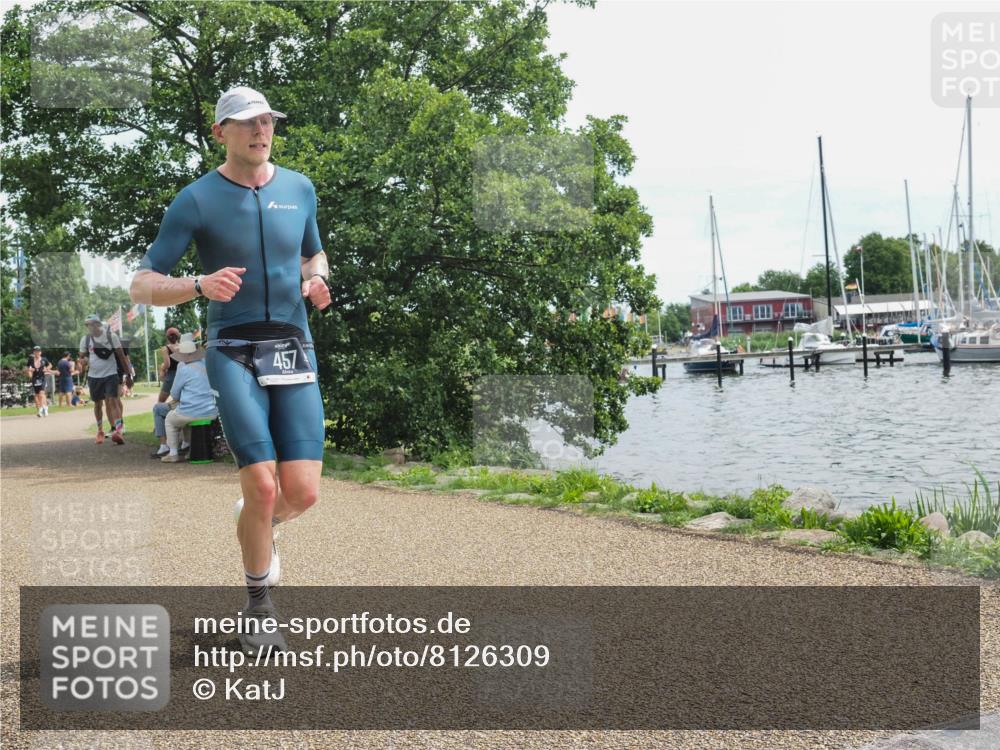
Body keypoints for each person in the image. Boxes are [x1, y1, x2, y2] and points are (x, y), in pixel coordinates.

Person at [131, 86, 331, 654]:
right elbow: (142, 283)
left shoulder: (300, 188)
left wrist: (316, 279)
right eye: (246, 123)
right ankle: (259, 607)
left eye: (267, 121)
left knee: (303, 493)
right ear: (220, 133)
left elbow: (313, 254)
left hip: (294, 344)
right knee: (264, 483)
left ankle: (254, 520)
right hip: (232, 347)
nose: (260, 130)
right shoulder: (195, 200)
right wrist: (198, 285)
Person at [151, 334, 219, 462]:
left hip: (192, 411)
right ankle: (188, 446)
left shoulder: (183, 368)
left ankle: (173, 453)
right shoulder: (206, 364)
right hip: (211, 411)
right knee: (185, 416)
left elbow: (175, 394)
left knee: (171, 419)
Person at [79, 314, 134, 444]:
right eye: (87, 325)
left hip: (111, 374)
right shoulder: (85, 340)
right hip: (94, 376)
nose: (90, 327)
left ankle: (119, 431)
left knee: (113, 401)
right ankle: (100, 431)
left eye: (92, 324)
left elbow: (122, 357)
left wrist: (129, 376)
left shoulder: (111, 337)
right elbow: (82, 357)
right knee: (98, 404)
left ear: (98, 324)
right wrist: (82, 362)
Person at [25, 346, 52, 417]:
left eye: (38, 351)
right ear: (33, 352)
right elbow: (27, 369)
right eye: (35, 351)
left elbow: (50, 365)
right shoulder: (31, 360)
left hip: (42, 378)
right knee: (36, 395)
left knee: (41, 393)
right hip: (35, 379)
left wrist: (46, 369)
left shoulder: (44, 359)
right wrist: (30, 372)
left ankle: (44, 409)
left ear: (40, 352)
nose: (37, 353)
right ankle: (41, 409)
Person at [157, 327, 182, 403]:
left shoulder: (166, 348)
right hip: (182, 374)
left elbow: (167, 364)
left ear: (167, 337)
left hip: (171, 376)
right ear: (178, 336)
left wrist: (162, 368)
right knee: (180, 401)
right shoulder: (183, 346)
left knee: (160, 402)